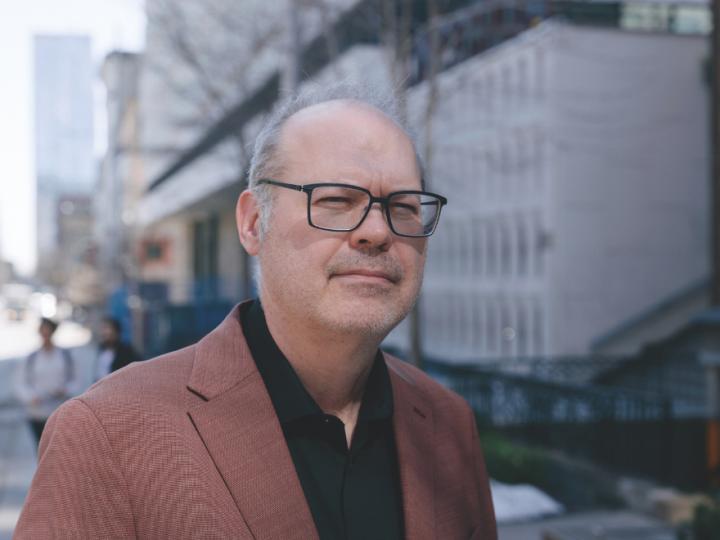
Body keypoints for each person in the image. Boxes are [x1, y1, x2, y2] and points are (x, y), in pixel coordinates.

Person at [16, 85, 497, 539]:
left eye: (405, 206)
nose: (377, 230)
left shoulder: (448, 423)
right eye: (334, 200)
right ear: (252, 223)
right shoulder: (106, 433)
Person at [15, 318, 75, 446]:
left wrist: (65, 390)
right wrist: (31, 397)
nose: (45, 335)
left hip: (59, 411)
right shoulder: (32, 358)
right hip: (37, 413)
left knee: (59, 449)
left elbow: (74, 380)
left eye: (48, 332)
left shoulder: (65, 356)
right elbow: (21, 383)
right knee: (41, 448)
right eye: (43, 332)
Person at [94, 316, 141, 381]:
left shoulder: (126, 352)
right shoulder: (101, 350)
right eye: (102, 328)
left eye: (106, 328)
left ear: (116, 332)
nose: (103, 332)